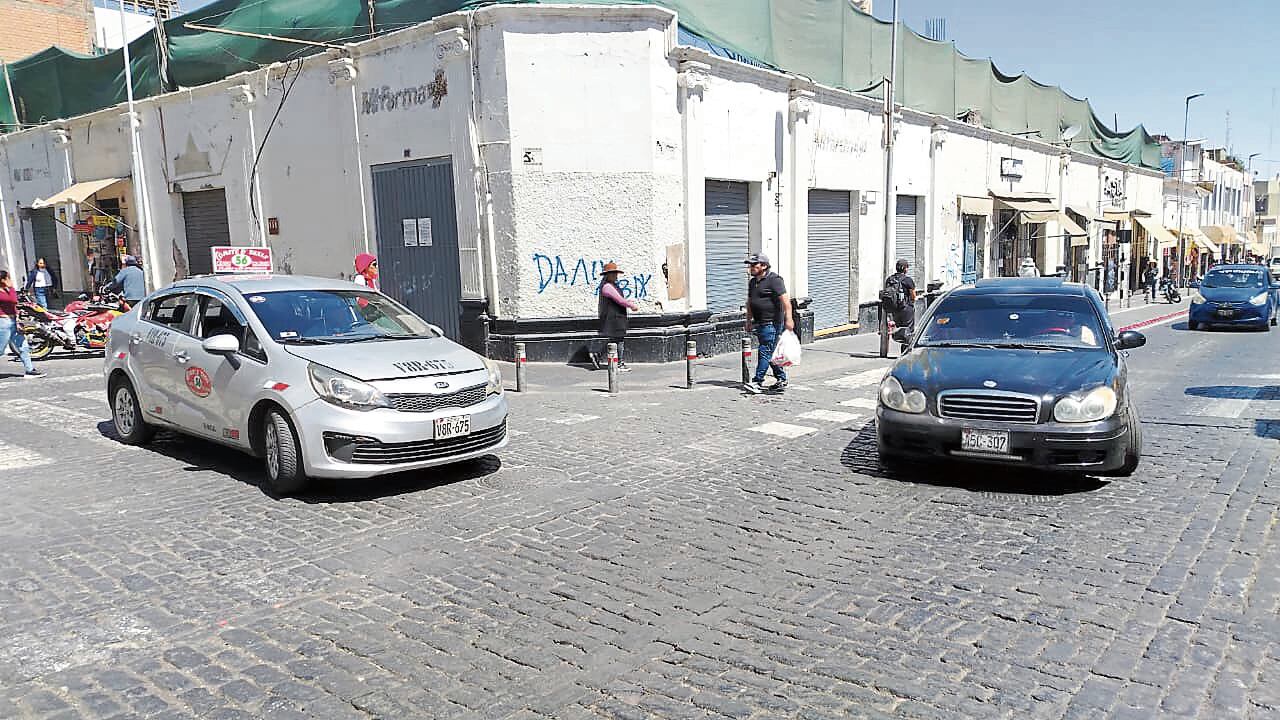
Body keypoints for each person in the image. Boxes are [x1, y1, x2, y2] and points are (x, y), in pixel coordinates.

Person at [743, 253, 793, 394]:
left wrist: (789, 319)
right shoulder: (753, 282)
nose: (751, 268)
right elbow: (750, 303)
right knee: (770, 352)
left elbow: (785, 301)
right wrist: (748, 320)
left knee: (765, 351)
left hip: (772, 323)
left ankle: (757, 381)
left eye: (754, 265)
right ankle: (781, 379)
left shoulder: (774, 280)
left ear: (764, 266)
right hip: (759, 323)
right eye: (750, 265)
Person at [589, 262, 639, 372]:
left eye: (616, 273)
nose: (615, 276)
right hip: (614, 318)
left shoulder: (611, 285)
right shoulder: (607, 287)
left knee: (614, 340)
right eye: (613, 274)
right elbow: (619, 300)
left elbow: (619, 300)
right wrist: (631, 305)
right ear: (607, 275)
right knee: (619, 340)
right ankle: (619, 364)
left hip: (616, 317)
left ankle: (598, 355)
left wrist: (628, 302)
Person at [0, 271, 43, 378]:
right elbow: (13, 300)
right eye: (8, 278)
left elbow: (14, 306)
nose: (10, 279)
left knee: (23, 346)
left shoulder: (6, 290)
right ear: (2, 280)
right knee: (0, 350)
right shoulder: (5, 291)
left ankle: (30, 370)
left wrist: (18, 320)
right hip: (3, 323)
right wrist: (11, 287)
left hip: (13, 321)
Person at [881, 259, 917, 355]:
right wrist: (911, 302)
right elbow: (913, 295)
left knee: (899, 328)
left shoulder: (890, 279)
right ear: (905, 268)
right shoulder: (908, 280)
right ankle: (905, 352)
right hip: (906, 309)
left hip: (894, 309)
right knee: (908, 330)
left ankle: (898, 344)